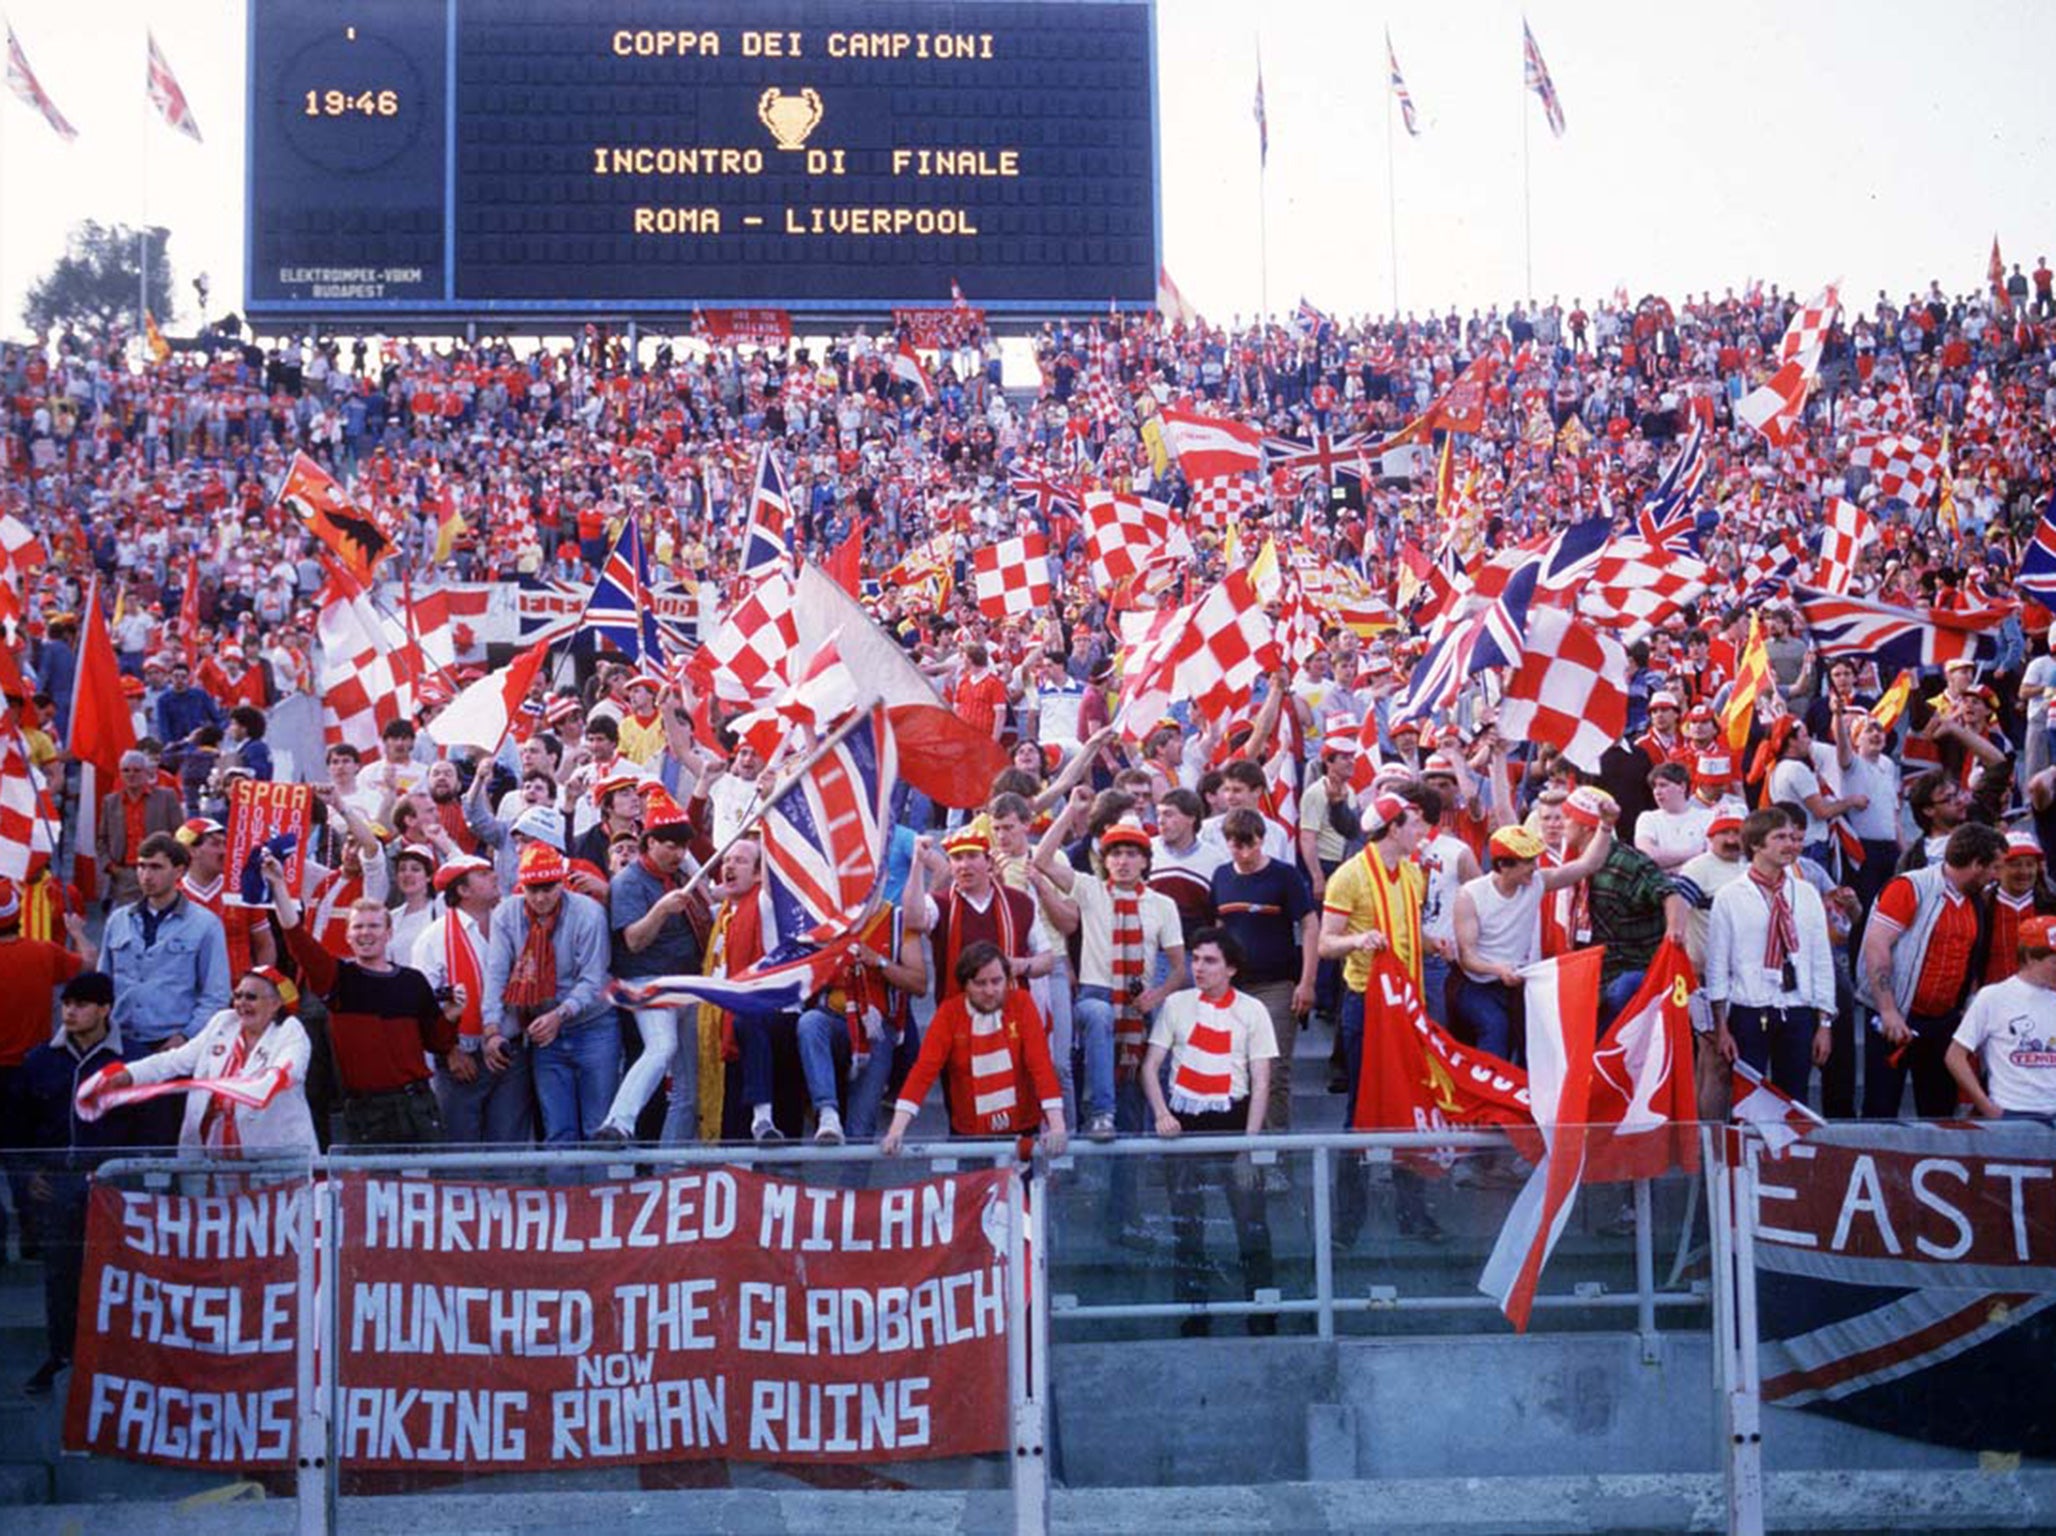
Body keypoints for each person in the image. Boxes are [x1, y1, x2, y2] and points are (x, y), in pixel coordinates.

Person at [1318, 783, 1444, 1244]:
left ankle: (1414, 1215)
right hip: (1366, 1003)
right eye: (1415, 824)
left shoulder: (1413, 874)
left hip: (1409, 1004)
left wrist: (1435, 944)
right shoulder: (1349, 876)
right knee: (1360, 1110)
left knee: (1412, 1107)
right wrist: (1358, 940)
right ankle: (1347, 1223)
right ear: (1393, 828)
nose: (1423, 832)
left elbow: (1411, 931)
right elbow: (1325, 943)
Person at [1138, 928, 1277, 1337]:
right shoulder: (1177, 1004)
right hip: (1184, 1125)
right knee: (1187, 1225)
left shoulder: (1253, 1010)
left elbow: (1262, 1080)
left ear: (1231, 968)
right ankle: (1195, 1313)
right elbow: (1150, 1067)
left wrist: (1248, 1147)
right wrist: (1162, 1114)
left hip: (1235, 1122)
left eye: (1210, 960)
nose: (1199, 967)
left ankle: (1263, 1312)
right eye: (1195, 959)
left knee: (1251, 1225)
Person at [271, 852, 454, 1146]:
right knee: (372, 1191)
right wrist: (278, 885)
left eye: (373, 926)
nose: (365, 933)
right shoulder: (337, 979)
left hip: (418, 1106)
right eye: (358, 926)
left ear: (389, 932)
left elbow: (439, 1042)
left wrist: (453, 1014)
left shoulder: (413, 981)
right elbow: (297, 938)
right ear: (347, 936)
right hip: (367, 1113)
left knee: (424, 1190)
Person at [1034, 799, 1188, 1142]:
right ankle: (1101, 1113)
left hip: (1138, 1003)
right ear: (1104, 860)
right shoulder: (1090, 890)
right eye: (1115, 853)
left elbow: (1179, 969)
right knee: (1100, 1013)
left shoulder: (1162, 905)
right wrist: (1070, 810)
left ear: (1145, 861)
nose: (1123, 861)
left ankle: (1126, 1182)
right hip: (1094, 994)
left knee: (1132, 1106)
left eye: (1132, 854)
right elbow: (1042, 860)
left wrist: (1158, 995)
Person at [19, 972, 133, 1395]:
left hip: (115, 1188)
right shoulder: (39, 1061)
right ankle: (61, 1354)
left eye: (81, 1004)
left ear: (105, 1009)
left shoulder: (132, 1059)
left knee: (120, 1274)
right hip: (60, 1185)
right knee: (61, 1276)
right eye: (66, 1003)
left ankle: (120, 1361)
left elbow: (148, 1127)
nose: (70, 1011)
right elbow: (20, 1125)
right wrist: (30, 1174)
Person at [1858, 822, 2007, 1118]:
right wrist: (1888, 1010)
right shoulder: (1909, 887)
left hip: (1944, 1022)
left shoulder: (1975, 899)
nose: (1997, 876)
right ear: (1976, 864)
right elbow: (1876, 947)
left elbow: (1971, 957)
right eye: (1994, 867)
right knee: (1881, 1107)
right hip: (1897, 1015)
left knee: (1939, 1111)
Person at [89, 965, 317, 1156]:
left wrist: (239, 1087)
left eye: (251, 997)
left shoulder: (290, 1030)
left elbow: (287, 1073)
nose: (241, 1003)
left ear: (276, 1003)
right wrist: (128, 1074)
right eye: (237, 996)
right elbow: (175, 1060)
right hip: (211, 1157)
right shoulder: (222, 1022)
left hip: (272, 1159)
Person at [96, 831, 232, 1145]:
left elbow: (215, 993)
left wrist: (184, 1037)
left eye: (156, 867)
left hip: (172, 1047)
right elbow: (104, 983)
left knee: (166, 1136)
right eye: (142, 866)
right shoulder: (118, 921)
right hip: (123, 1044)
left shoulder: (205, 924)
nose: (146, 875)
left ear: (179, 871)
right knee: (119, 1136)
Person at [484, 840, 617, 1146]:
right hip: (545, 1031)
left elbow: (593, 979)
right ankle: (566, 1193)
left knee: (598, 1128)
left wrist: (559, 1015)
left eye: (548, 888)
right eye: (533, 889)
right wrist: (491, 1029)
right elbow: (496, 973)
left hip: (592, 1026)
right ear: (521, 887)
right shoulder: (506, 914)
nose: (541, 897)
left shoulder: (588, 912)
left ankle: (597, 1193)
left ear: (562, 883)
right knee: (559, 1132)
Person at [879, 942, 1067, 1155]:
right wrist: (896, 1130)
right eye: (980, 983)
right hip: (969, 1134)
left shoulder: (1022, 1003)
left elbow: (1040, 1065)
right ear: (965, 984)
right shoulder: (949, 1013)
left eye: (997, 981)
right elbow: (923, 1071)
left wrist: (1057, 1126)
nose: (989, 991)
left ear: (1008, 979)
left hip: (1023, 1128)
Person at [1450, 823, 1612, 1062]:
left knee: (1534, 1039)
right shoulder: (1470, 895)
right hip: (1477, 984)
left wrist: (1606, 826)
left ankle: (1524, 1092)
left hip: (1517, 983)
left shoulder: (1536, 882)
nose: (1534, 867)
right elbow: (1468, 957)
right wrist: (1498, 969)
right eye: (1526, 862)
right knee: (1495, 1027)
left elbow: (1587, 865)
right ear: (1503, 865)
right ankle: (1491, 1089)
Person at [1707, 809, 1837, 1101]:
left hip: (1797, 1008)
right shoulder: (1730, 895)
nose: (1790, 844)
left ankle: (1789, 1150)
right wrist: (1721, 1027)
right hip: (1749, 1009)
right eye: (1779, 837)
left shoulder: (1805, 893)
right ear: (1756, 845)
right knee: (1747, 1101)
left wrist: (1825, 1023)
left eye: (1792, 837)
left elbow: (1821, 960)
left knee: (1795, 1100)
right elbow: (1717, 963)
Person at [600, 787, 705, 1142]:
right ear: (650, 843)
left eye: (683, 846)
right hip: (647, 981)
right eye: (671, 845)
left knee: (690, 1089)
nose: (679, 853)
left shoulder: (676, 876)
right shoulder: (628, 881)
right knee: (662, 1048)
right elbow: (633, 941)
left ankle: (669, 1174)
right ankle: (619, 1122)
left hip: (688, 984)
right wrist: (661, 909)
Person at [1208, 805, 1315, 1136]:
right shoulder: (1222, 876)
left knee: (1273, 1066)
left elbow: (1310, 926)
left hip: (1277, 985)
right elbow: (1218, 929)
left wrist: (1307, 982)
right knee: (1234, 1066)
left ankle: (1274, 1154)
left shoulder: (1284, 875)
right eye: (1235, 844)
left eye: (1248, 843)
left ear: (1261, 841)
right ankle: (1239, 1150)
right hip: (1234, 988)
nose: (1242, 851)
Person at [411, 854, 532, 1144]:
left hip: (509, 1053)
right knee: (460, 1154)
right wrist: (450, 1051)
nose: (494, 877)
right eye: (483, 874)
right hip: (461, 1060)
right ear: (463, 890)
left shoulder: (514, 926)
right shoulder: (433, 938)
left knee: (509, 1152)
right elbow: (421, 1006)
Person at [1947, 914, 2056, 1119]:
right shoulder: (1993, 997)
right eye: (2054, 962)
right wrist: (1986, 1106)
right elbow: (1955, 1056)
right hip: (2013, 1111)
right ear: (2031, 958)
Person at [97, 749, 184, 908]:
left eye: (137, 770)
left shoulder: (166, 797)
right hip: (124, 874)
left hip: (160, 870)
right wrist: (111, 867)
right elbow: (102, 839)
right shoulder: (110, 802)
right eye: (126, 770)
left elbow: (180, 834)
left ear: (147, 773)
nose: (131, 774)